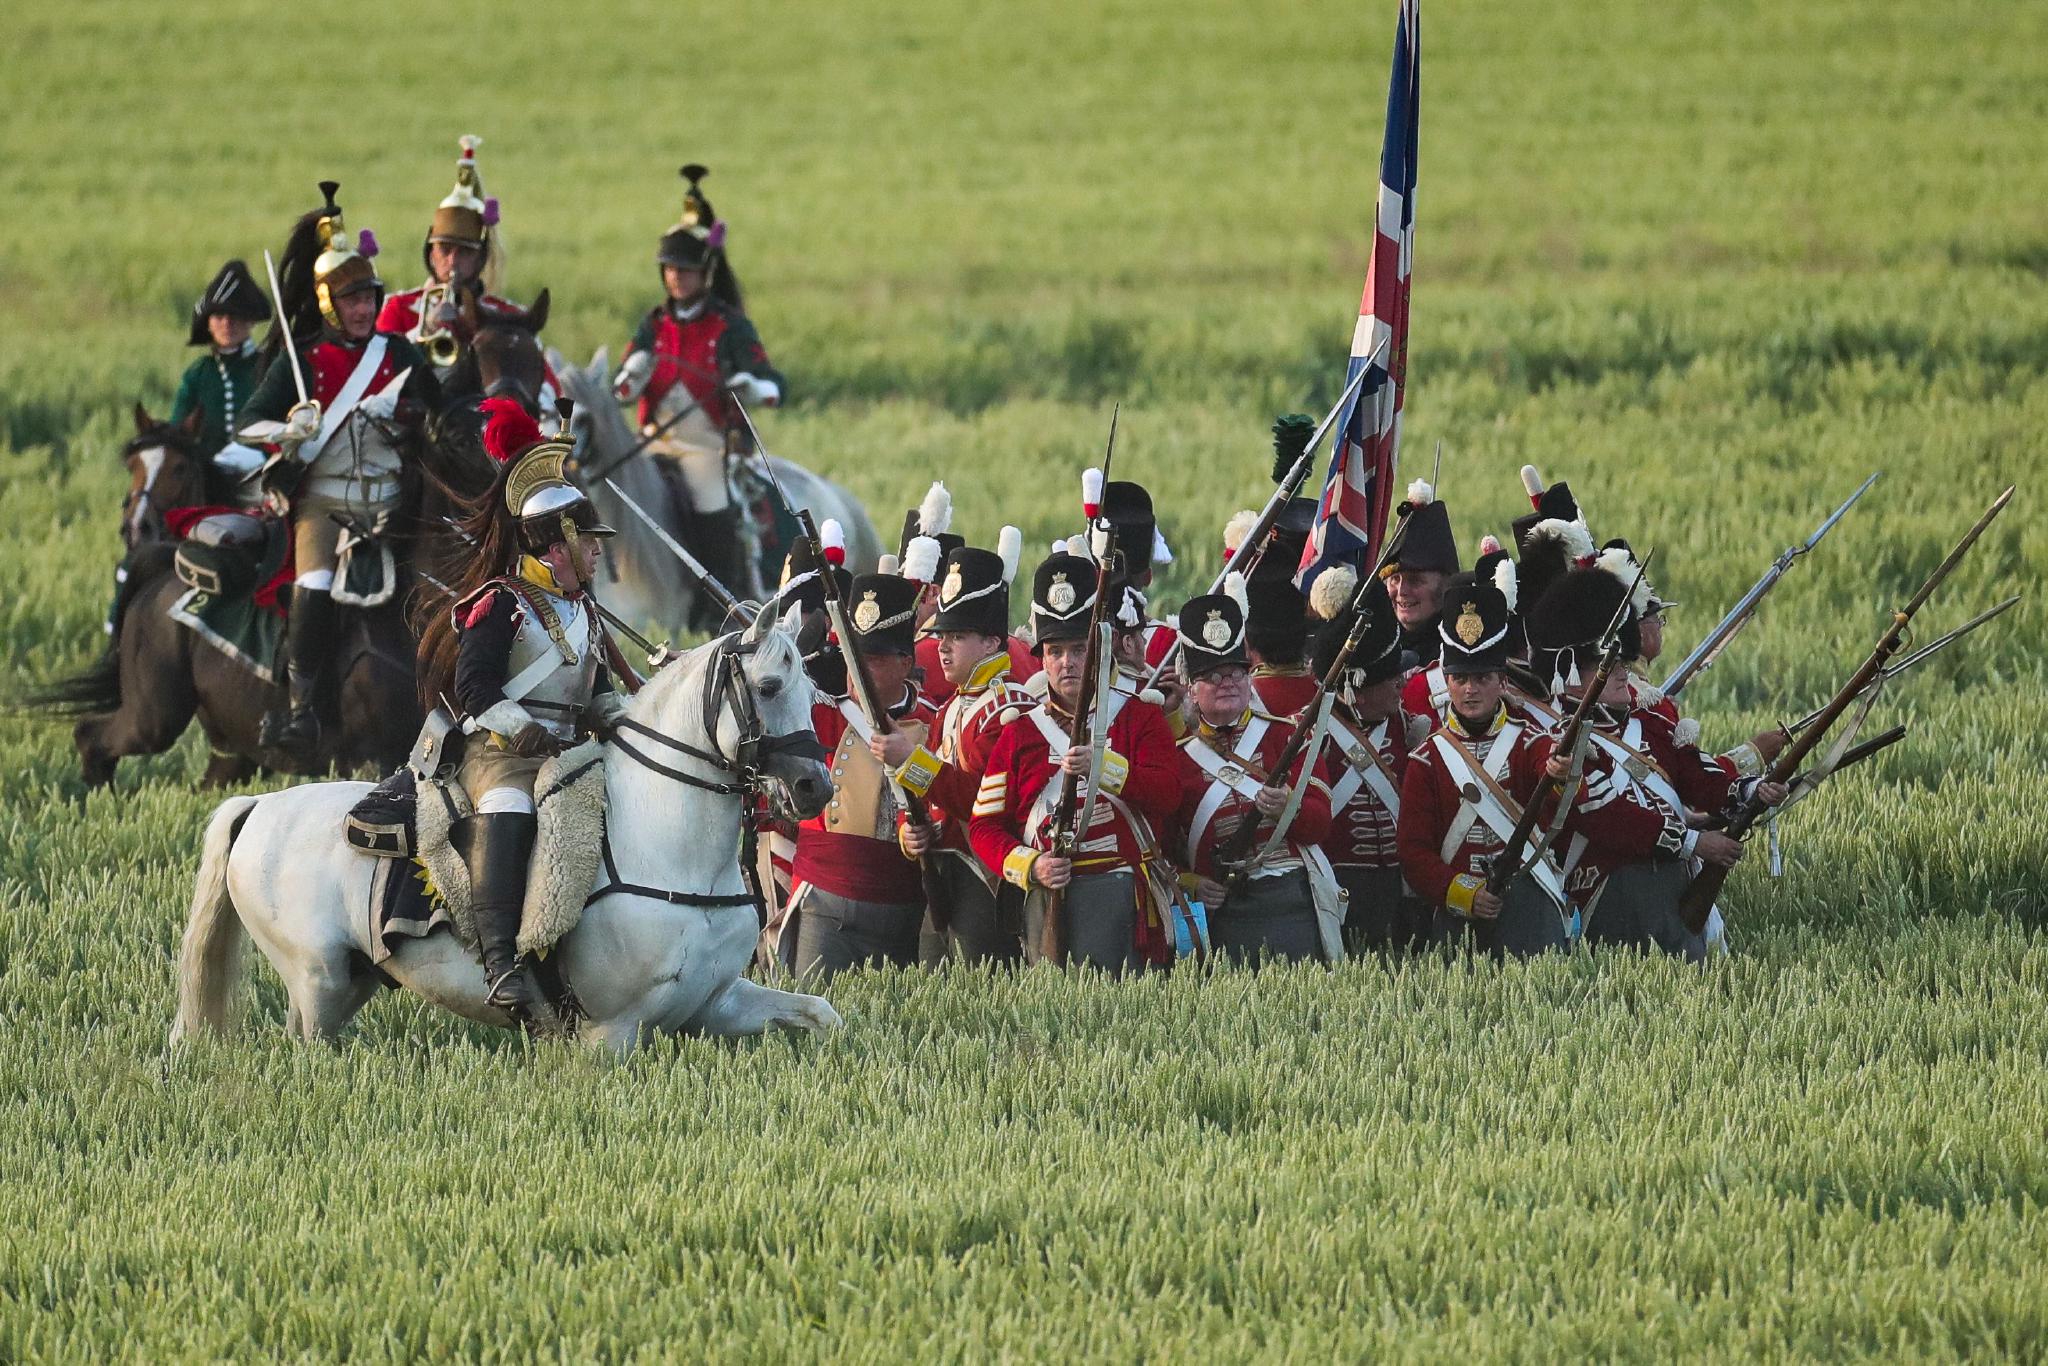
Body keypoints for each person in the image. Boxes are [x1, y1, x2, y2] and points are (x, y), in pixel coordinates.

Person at [412, 397, 625, 1023]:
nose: (597, 554)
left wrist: (628, 715)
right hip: (499, 753)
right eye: (589, 544)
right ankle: (500, 959)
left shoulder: (583, 610)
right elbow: (473, 688)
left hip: (564, 750)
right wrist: (525, 730)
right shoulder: (498, 604)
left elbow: (600, 690)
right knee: (511, 804)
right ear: (557, 545)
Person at [240, 183, 440, 764]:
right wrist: (290, 429)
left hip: (395, 501)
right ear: (328, 303)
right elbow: (250, 424)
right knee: (314, 588)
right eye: (351, 300)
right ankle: (302, 711)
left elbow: (438, 409)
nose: (362, 309)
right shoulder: (300, 361)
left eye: (368, 298)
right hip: (325, 505)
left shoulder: (399, 354)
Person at [1523, 550, 1786, 958]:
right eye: (1605, 666)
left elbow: (1697, 774)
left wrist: (1749, 790)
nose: (1624, 672)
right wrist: (1693, 842)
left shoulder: (1648, 723)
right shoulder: (1552, 738)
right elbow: (1605, 816)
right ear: (1571, 670)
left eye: (1621, 662)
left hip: (1669, 883)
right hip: (1607, 892)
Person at [969, 552, 1183, 972]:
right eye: (1054, 651)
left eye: (1078, 649)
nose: (1066, 662)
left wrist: (1105, 769)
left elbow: (1169, 795)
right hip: (1047, 892)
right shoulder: (1018, 734)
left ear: (1100, 650)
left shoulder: (1140, 717)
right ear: (1042, 659)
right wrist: (1031, 865)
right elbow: (984, 827)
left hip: (1124, 897)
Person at [613, 164, 784, 605]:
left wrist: (751, 387)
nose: (676, 277)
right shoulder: (653, 324)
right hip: (651, 442)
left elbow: (770, 382)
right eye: (669, 269)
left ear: (704, 272)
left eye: (685, 270)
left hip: (709, 447)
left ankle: (716, 600)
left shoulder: (729, 326)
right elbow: (623, 389)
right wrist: (630, 376)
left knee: (710, 498)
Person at [1396, 552, 1582, 957]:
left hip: (1529, 904)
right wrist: (1462, 893)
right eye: (1460, 678)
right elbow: (1413, 852)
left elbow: (1553, 785)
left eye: (1482, 677)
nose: (1470, 689)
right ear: (1447, 682)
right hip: (1458, 911)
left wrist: (1561, 774)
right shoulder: (1427, 759)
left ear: (1501, 680)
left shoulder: (1532, 741)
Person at [1169, 579, 1340, 965]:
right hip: (1225, 906)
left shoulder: (1286, 735)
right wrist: (1194, 883)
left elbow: (1320, 824)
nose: (1227, 682)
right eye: (1213, 675)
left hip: (1291, 896)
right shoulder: (1180, 759)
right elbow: (1162, 851)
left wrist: (1287, 809)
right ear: (1192, 689)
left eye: (1236, 672)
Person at [883, 537, 1032, 965]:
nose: (942, 646)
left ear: (991, 642)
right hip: (945, 876)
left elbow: (980, 803)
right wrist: (912, 834)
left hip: (986, 880)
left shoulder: (1011, 709)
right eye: (942, 634)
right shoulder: (950, 708)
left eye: (958, 636)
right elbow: (930, 804)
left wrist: (909, 762)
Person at [787, 571, 937, 978]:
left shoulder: (933, 724)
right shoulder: (818, 711)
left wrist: (919, 832)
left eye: (872, 660)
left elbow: (947, 797)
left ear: (906, 663)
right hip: (824, 896)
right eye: (853, 659)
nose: (857, 673)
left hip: (900, 903)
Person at [1302, 568, 1432, 952]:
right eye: (1388, 678)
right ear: (1356, 686)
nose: (1400, 683)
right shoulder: (1312, 734)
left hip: (1401, 889)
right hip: (1339, 887)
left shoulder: (1409, 727)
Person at [377, 135, 528, 378]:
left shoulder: (507, 315)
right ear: (431, 252)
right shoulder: (399, 309)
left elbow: (544, 388)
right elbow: (376, 373)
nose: (453, 261)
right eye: (445, 250)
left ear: (481, 258)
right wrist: (425, 329)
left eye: (465, 252)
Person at [171, 259, 272, 499]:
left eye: (235, 316)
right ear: (208, 323)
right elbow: (178, 433)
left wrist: (261, 456)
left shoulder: (269, 367)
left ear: (250, 320)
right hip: (207, 484)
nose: (227, 323)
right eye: (219, 316)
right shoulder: (198, 373)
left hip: (262, 479)